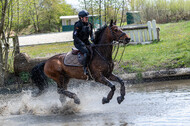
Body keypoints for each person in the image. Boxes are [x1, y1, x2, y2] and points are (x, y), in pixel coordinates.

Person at [73, 10, 94, 75]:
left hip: (86, 41)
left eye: (87, 17)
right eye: (86, 17)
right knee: (86, 52)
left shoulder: (90, 24)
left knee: (95, 49)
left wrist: (93, 39)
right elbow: (74, 36)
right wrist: (81, 43)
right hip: (78, 43)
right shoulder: (78, 25)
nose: (87, 18)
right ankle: (85, 69)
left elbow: (91, 34)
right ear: (81, 18)